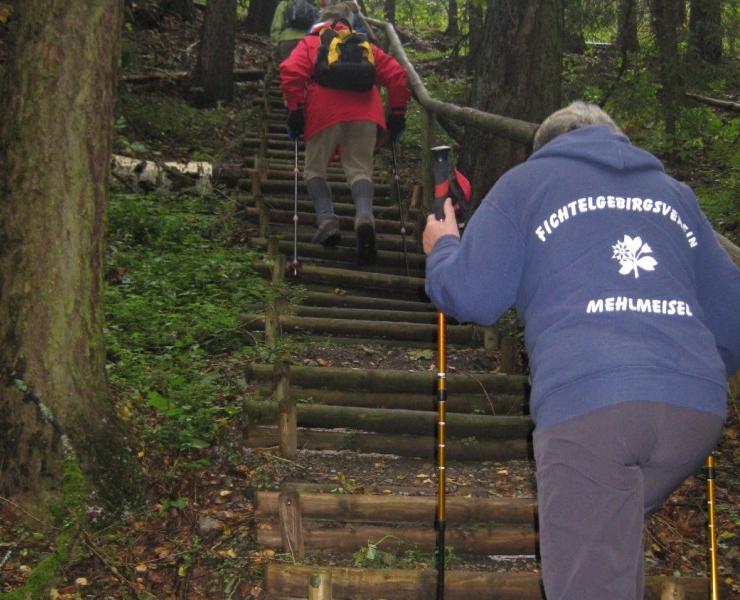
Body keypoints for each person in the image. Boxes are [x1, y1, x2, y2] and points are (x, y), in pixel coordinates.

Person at [422, 101, 740, 599]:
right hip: (692, 412)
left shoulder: (527, 184)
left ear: (546, 146)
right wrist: (676, 375)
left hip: (590, 406)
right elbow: (733, 317)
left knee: (592, 572)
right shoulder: (675, 196)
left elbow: (471, 294)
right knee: (604, 555)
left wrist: (442, 245)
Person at [279, 1, 410, 266]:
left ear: (321, 20)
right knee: (360, 171)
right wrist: (396, 113)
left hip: (323, 111)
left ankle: (327, 220)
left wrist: (295, 108)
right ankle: (364, 217)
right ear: (349, 21)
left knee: (314, 170)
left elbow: (291, 71)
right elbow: (397, 75)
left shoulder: (312, 42)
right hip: (365, 111)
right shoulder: (364, 45)